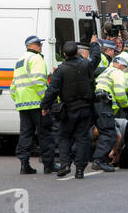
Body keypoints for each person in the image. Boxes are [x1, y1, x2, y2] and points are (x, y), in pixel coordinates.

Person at [40, 37, 101, 179]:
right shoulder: (87, 65)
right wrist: (94, 43)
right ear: (77, 53)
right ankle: (80, 170)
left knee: (64, 137)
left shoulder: (61, 70)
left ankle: (65, 164)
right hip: (86, 108)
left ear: (64, 54)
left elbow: (52, 90)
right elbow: (96, 57)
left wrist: (45, 106)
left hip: (68, 109)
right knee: (82, 138)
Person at [10, 36, 57, 175]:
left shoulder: (20, 60)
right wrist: (46, 102)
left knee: (25, 134)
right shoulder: (36, 59)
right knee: (45, 134)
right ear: (34, 45)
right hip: (38, 104)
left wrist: (18, 100)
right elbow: (38, 82)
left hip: (23, 104)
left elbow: (13, 86)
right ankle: (49, 165)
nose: (41, 46)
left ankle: (24, 165)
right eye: (39, 44)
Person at [92, 56, 128, 172]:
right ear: (120, 65)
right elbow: (119, 92)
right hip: (103, 103)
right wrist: (126, 106)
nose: (124, 70)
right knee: (109, 133)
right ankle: (98, 161)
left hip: (95, 102)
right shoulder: (117, 72)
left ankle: (96, 159)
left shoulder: (105, 72)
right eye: (124, 67)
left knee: (100, 131)